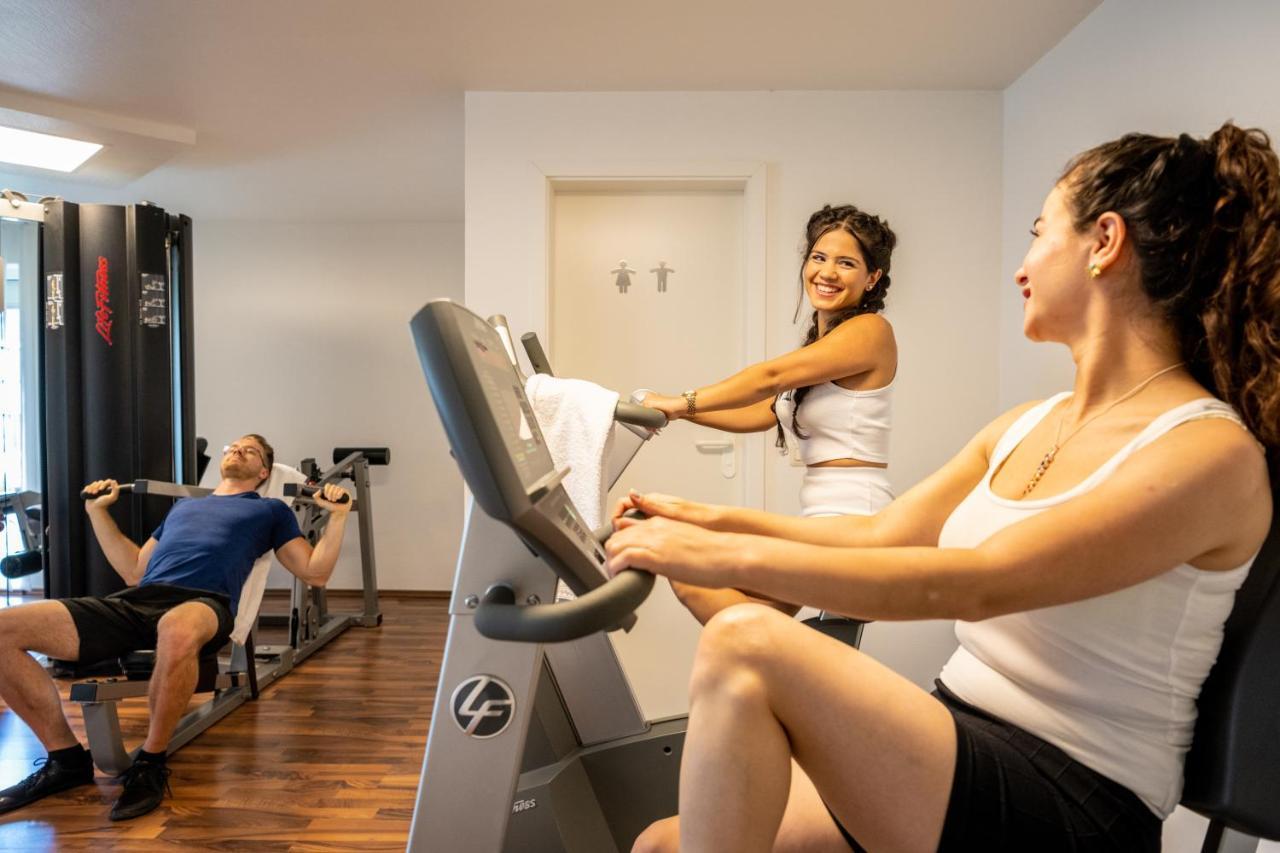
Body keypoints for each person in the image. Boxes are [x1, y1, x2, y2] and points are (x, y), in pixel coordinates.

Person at [609, 122, 1278, 852]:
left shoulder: (1207, 450)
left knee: (746, 643)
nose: (1022, 266)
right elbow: (876, 534)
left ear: (1104, 242)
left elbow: (980, 581)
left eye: (1038, 232)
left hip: (1074, 799)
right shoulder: (1026, 424)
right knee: (657, 843)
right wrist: (698, 519)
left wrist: (716, 558)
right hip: (960, 731)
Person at [0, 434, 352, 821]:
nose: (237, 450)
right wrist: (98, 512)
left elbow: (315, 573)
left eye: (250, 450)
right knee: (4, 629)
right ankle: (65, 759)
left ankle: (151, 762)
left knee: (177, 628)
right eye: (233, 446)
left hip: (202, 603)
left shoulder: (269, 510)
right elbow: (134, 570)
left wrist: (336, 517)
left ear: (263, 471)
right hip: (136, 602)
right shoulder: (184, 508)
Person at [641, 204, 899, 623]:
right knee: (739, 615)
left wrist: (680, 400)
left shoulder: (871, 331)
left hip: (854, 517)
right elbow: (765, 411)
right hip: (827, 517)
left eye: (846, 263)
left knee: (702, 581)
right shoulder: (825, 343)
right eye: (819, 258)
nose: (827, 272)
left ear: (872, 278)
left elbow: (770, 377)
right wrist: (678, 413)